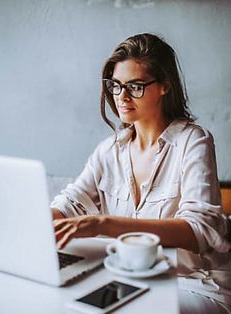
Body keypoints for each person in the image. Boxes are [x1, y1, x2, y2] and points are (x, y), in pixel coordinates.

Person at [51, 33, 231, 313]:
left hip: (193, 283)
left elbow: (201, 230)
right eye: (115, 85)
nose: (121, 97)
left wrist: (102, 224)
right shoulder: (109, 150)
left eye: (135, 86)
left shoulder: (193, 141)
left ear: (164, 87)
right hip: (129, 280)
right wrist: (31, 224)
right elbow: (69, 204)